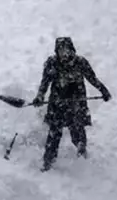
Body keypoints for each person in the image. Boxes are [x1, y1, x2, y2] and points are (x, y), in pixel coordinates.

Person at [32, 37, 112, 171]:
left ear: (72, 50)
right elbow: (44, 83)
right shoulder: (51, 63)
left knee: (78, 132)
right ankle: (48, 163)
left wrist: (103, 90)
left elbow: (92, 78)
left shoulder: (80, 62)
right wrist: (40, 96)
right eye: (60, 50)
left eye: (67, 50)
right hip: (57, 104)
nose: (64, 54)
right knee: (54, 135)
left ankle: (82, 159)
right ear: (56, 51)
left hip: (76, 104)